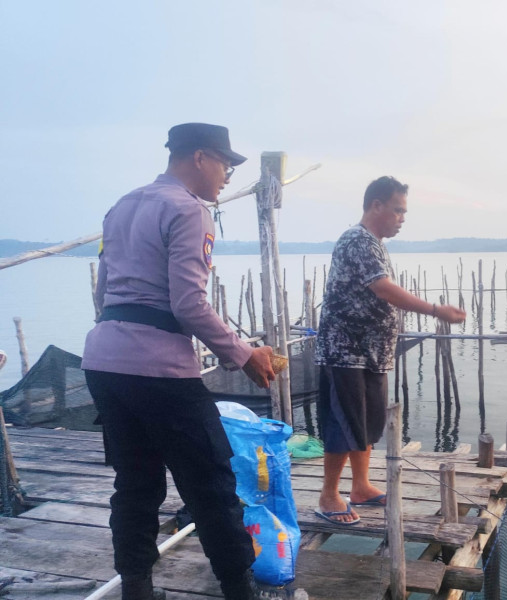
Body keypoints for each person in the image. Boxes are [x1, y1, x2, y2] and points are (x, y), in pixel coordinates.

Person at [82, 123, 277, 600]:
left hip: (104, 361)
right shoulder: (190, 211)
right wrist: (243, 354)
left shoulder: (120, 206)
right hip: (159, 370)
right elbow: (188, 303)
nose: (228, 176)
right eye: (225, 164)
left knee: (135, 482)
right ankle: (240, 590)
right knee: (210, 485)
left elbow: (105, 292)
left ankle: (137, 588)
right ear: (199, 158)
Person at [314, 176, 466, 525]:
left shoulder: (375, 243)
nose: (402, 217)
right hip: (345, 352)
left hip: (371, 353)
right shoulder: (358, 239)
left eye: (404, 212)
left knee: (367, 423)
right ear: (376, 205)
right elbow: (383, 289)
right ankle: (329, 495)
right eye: (397, 209)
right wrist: (434, 310)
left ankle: (362, 487)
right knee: (342, 424)